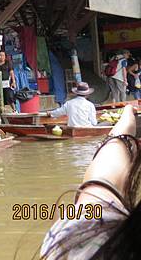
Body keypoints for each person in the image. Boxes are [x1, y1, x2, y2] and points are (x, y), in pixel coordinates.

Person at [40, 105, 140, 259]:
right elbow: (94, 123)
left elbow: (103, 176)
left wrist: (127, 115)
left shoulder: (92, 241)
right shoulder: (90, 107)